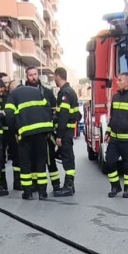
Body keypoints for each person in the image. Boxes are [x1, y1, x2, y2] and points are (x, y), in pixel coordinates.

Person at [6, 66, 53, 201]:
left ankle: (28, 192)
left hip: (25, 134)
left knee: (25, 163)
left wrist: (14, 131)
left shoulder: (13, 95)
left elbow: (9, 115)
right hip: (41, 133)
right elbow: (47, 107)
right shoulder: (36, 92)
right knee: (40, 161)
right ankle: (43, 192)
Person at [52, 67, 80, 197]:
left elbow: (63, 116)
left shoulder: (65, 93)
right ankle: (70, 186)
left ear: (58, 76)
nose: (54, 80)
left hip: (65, 133)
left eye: (54, 77)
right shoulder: (70, 91)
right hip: (68, 132)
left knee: (68, 160)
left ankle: (68, 187)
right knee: (67, 158)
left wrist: (59, 136)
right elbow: (77, 114)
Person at [6, 78, 22, 190]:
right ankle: (18, 183)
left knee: (20, 159)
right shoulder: (11, 99)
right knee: (17, 159)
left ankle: (20, 182)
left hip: (19, 133)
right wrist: (15, 133)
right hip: (15, 134)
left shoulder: (14, 98)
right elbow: (10, 117)